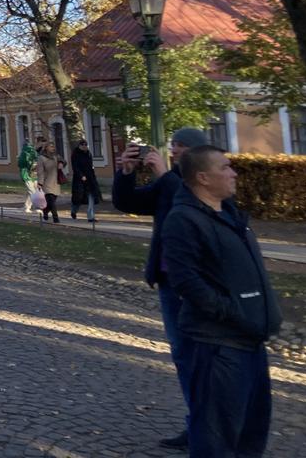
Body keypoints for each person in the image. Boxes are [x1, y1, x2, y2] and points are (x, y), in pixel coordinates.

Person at [162, 146, 280, 458]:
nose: (234, 173)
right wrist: (231, 312)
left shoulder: (231, 215)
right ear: (203, 177)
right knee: (216, 439)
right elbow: (185, 281)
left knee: (251, 434)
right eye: (225, 167)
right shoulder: (183, 219)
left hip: (251, 341)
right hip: (218, 346)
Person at [113, 126, 209, 452]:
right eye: (173, 146)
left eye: (180, 147)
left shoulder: (204, 181)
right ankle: (197, 424)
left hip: (197, 287)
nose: (174, 151)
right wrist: (125, 173)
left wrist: (164, 174)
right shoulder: (170, 183)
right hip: (170, 284)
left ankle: (212, 427)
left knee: (202, 358)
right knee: (183, 356)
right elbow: (129, 202)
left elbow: (195, 205)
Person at [69, 138, 102, 223]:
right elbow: (75, 167)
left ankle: (91, 217)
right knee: (78, 198)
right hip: (79, 180)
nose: (84, 146)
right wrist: (81, 176)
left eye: (85, 145)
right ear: (79, 145)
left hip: (90, 179)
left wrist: (93, 176)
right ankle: (74, 211)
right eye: (82, 145)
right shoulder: (75, 154)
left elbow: (91, 166)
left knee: (91, 196)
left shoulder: (88, 154)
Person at [35, 141, 62, 223]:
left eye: (53, 147)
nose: (52, 148)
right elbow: (40, 172)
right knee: (51, 201)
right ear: (46, 148)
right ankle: (55, 217)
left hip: (56, 182)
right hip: (46, 182)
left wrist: (61, 163)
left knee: (52, 201)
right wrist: (40, 183)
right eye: (51, 146)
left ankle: (45, 211)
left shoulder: (56, 156)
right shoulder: (41, 158)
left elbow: (63, 161)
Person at [18, 139, 39, 213]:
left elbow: (37, 162)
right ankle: (37, 207)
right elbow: (21, 164)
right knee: (32, 191)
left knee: (32, 191)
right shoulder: (24, 154)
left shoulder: (35, 153)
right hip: (26, 175)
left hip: (33, 174)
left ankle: (27, 206)